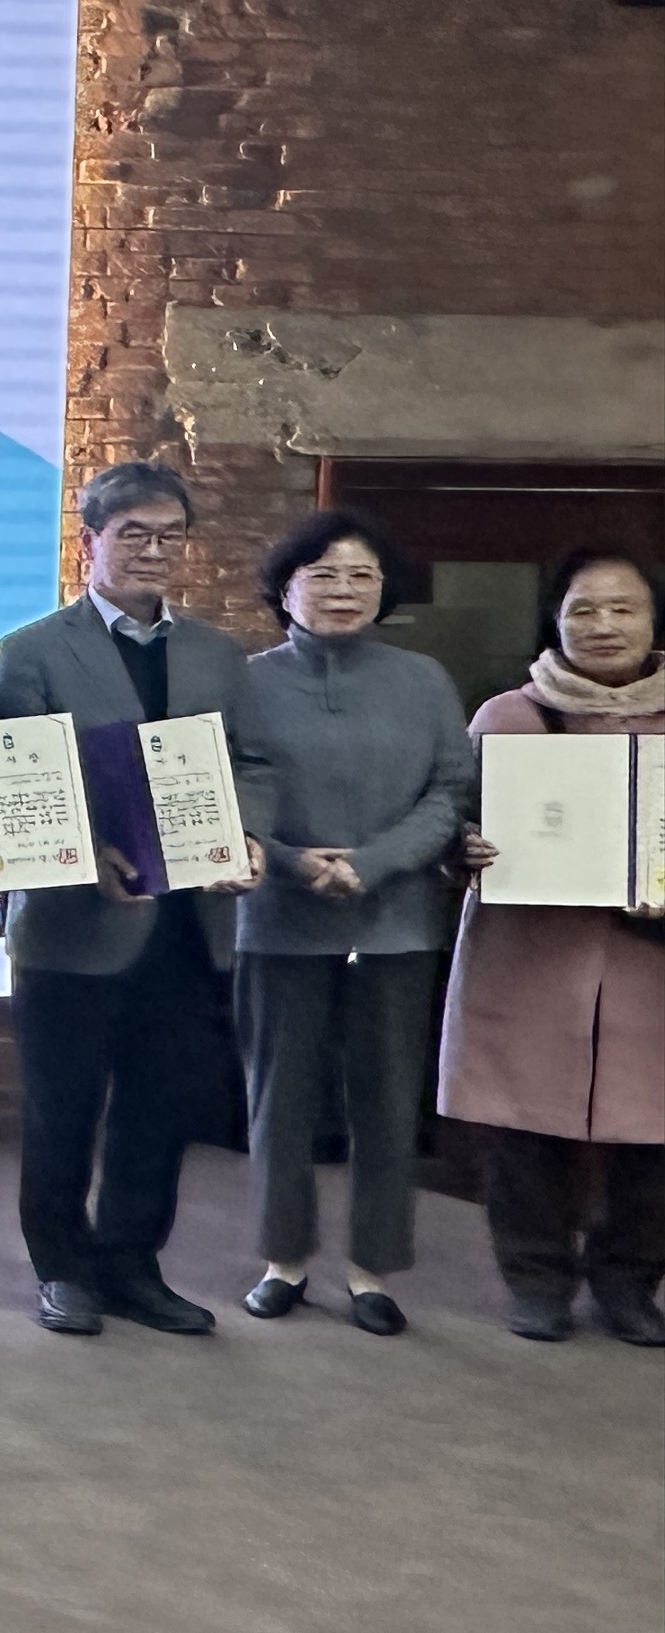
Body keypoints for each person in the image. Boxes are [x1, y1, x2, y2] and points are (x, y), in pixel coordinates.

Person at [0, 459, 270, 1339]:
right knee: (62, 1108)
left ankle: (133, 1264)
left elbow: (252, 764)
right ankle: (62, 1269)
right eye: (134, 535)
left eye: (169, 536)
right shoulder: (32, 649)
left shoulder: (217, 653)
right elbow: (19, 778)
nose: (153, 551)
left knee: (159, 1107)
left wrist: (248, 836)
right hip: (74, 923)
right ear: (90, 543)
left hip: (188, 922)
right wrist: (87, 858)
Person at [229, 510, 469, 1336]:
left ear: (384, 590)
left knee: (388, 1100)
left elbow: (449, 791)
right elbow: (227, 795)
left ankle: (373, 1270)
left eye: (361, 575)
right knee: (279, 1097)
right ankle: (282, 1260)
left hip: (396, 921)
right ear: (284, 588)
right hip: (279, 917)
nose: (343, 590)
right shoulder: (246, 682)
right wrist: (294, 862)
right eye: (323, 574)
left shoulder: (424, 680)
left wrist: (372, 863)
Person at [451, 544, 665, 1344]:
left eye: (623, 608)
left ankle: (629, 1284)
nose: (603, 624)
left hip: (650, 962)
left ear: (654, 620)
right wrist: (463, 847)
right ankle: (536, 1281)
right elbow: (452, 819)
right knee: (524, 1124)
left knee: (655, 1133)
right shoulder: (507, 717)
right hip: (529, 956)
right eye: (583, 609)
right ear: (555, 620)